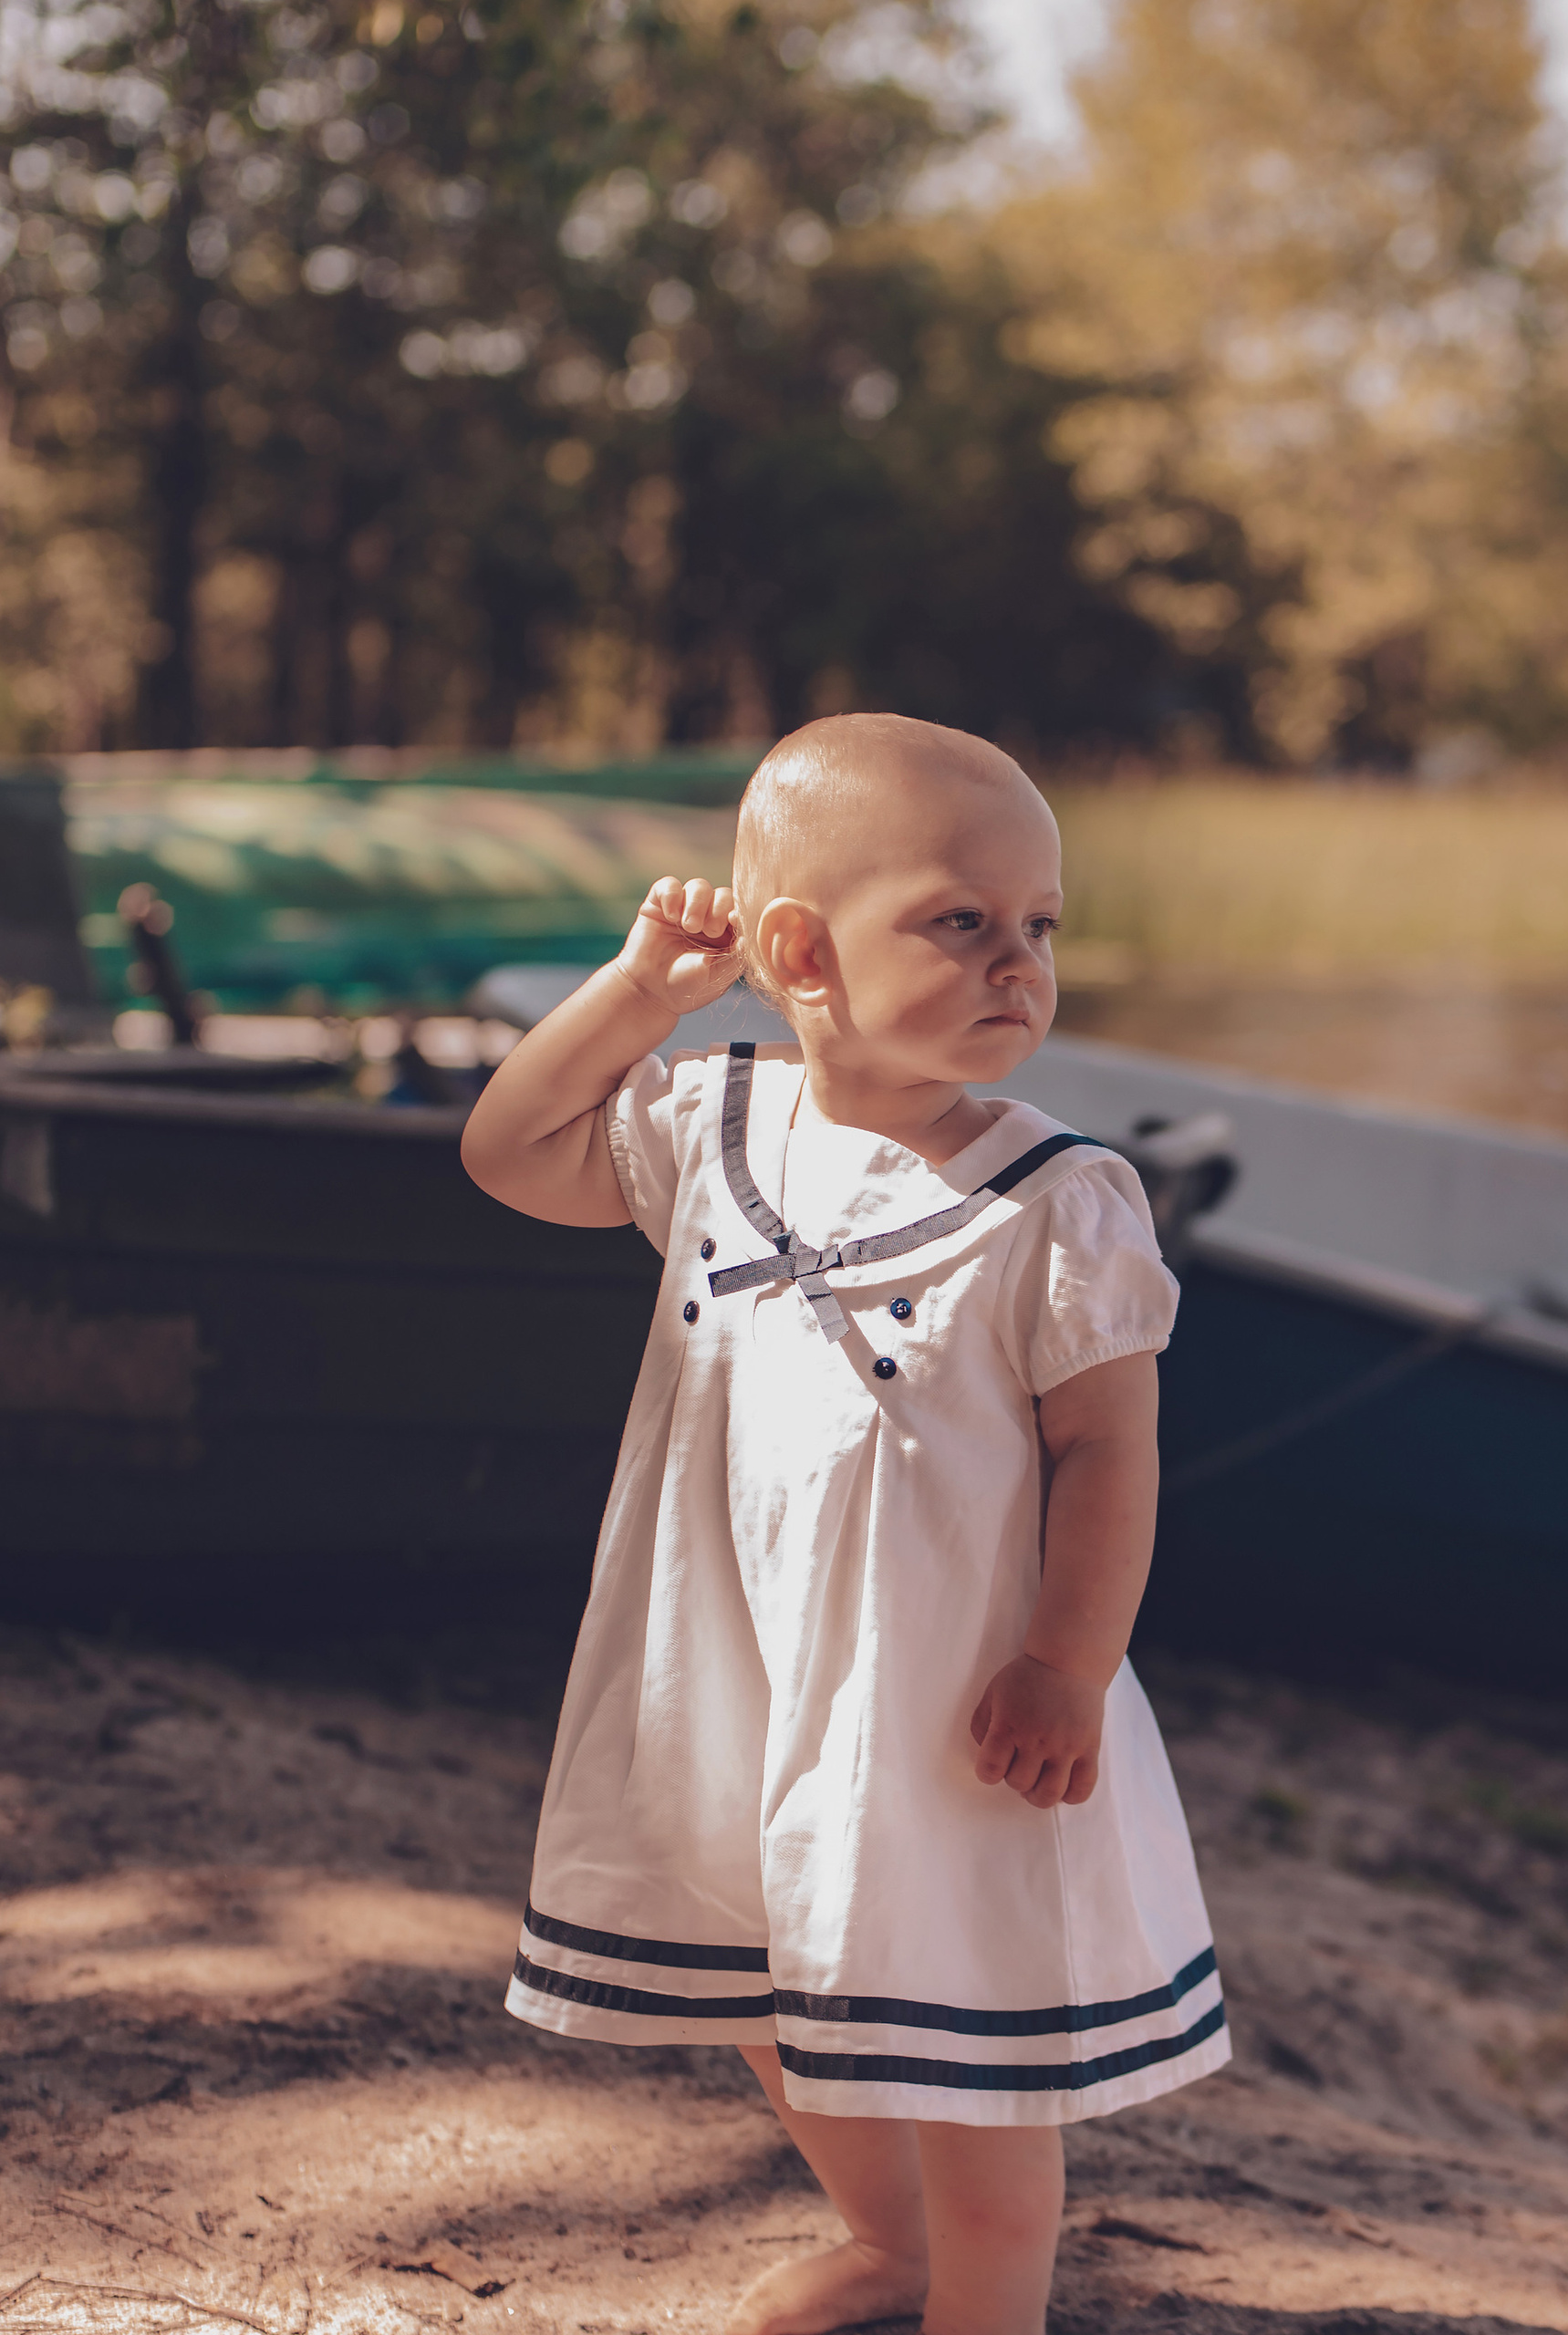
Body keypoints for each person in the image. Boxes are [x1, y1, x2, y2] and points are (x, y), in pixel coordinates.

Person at [459, 715, 1229, 2335]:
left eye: (1042, 928)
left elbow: (1108, 1453)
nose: (1020, 963)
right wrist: (634, 996)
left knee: (973, 2048)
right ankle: (892, 2248)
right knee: (762, 1978)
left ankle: (986, 2305)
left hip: (953, 1698)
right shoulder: (715, 1130)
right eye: (965, 921)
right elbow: (506, 1150)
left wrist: (1067, 1664)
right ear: (800, 952)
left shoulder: (1057, 1201)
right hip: (739, 1667)